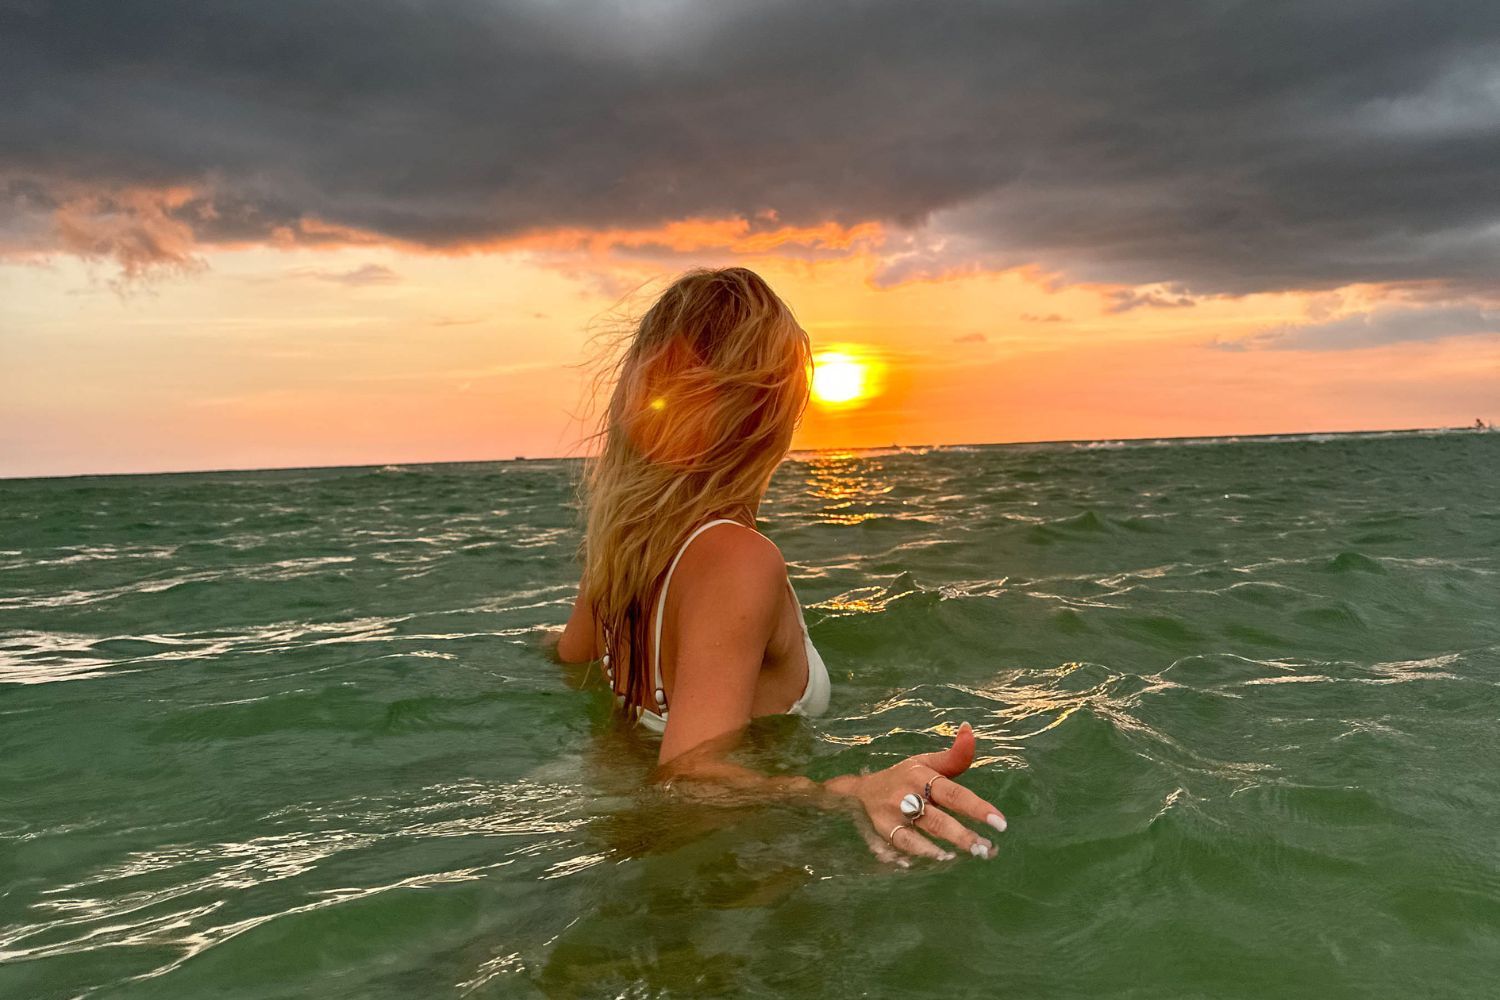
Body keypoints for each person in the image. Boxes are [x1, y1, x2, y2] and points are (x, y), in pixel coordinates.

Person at [545, 266, 1007, 863]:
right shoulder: (737, 558)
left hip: (615, 849)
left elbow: (569, 664)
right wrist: (845, 792)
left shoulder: (622, 549)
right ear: (773, 412)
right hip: (723, 882)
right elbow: (691, 781)